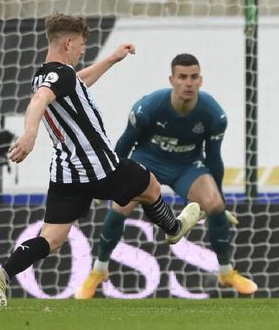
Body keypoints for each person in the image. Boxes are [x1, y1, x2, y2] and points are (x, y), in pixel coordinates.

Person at [0, 14, 202, 307]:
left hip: (66, 174)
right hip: (98, 166)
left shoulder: (47, 75)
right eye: (82, 45)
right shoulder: (58, 78)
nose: (83, 50)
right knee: (150, 185)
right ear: (69, 42)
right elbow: (40, 101)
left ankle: (4, 273)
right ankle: (174, 230)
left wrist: (112, 59)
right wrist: (30, 133)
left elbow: (78, 82)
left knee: (52, 238)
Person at [75, 53, 257, 298]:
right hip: (147, 161)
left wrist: (221, 200)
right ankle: (99, 270)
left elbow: (214, 158)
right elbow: (124, 145)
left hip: (187, 165)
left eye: (194, 77)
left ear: (200, 80)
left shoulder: (214, 115)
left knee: (214, 204)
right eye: (182, 77)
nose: (188, 83)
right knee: (120, 206)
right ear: (172, 79)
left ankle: (226, 272)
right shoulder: (147, 108)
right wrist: (109, 182)